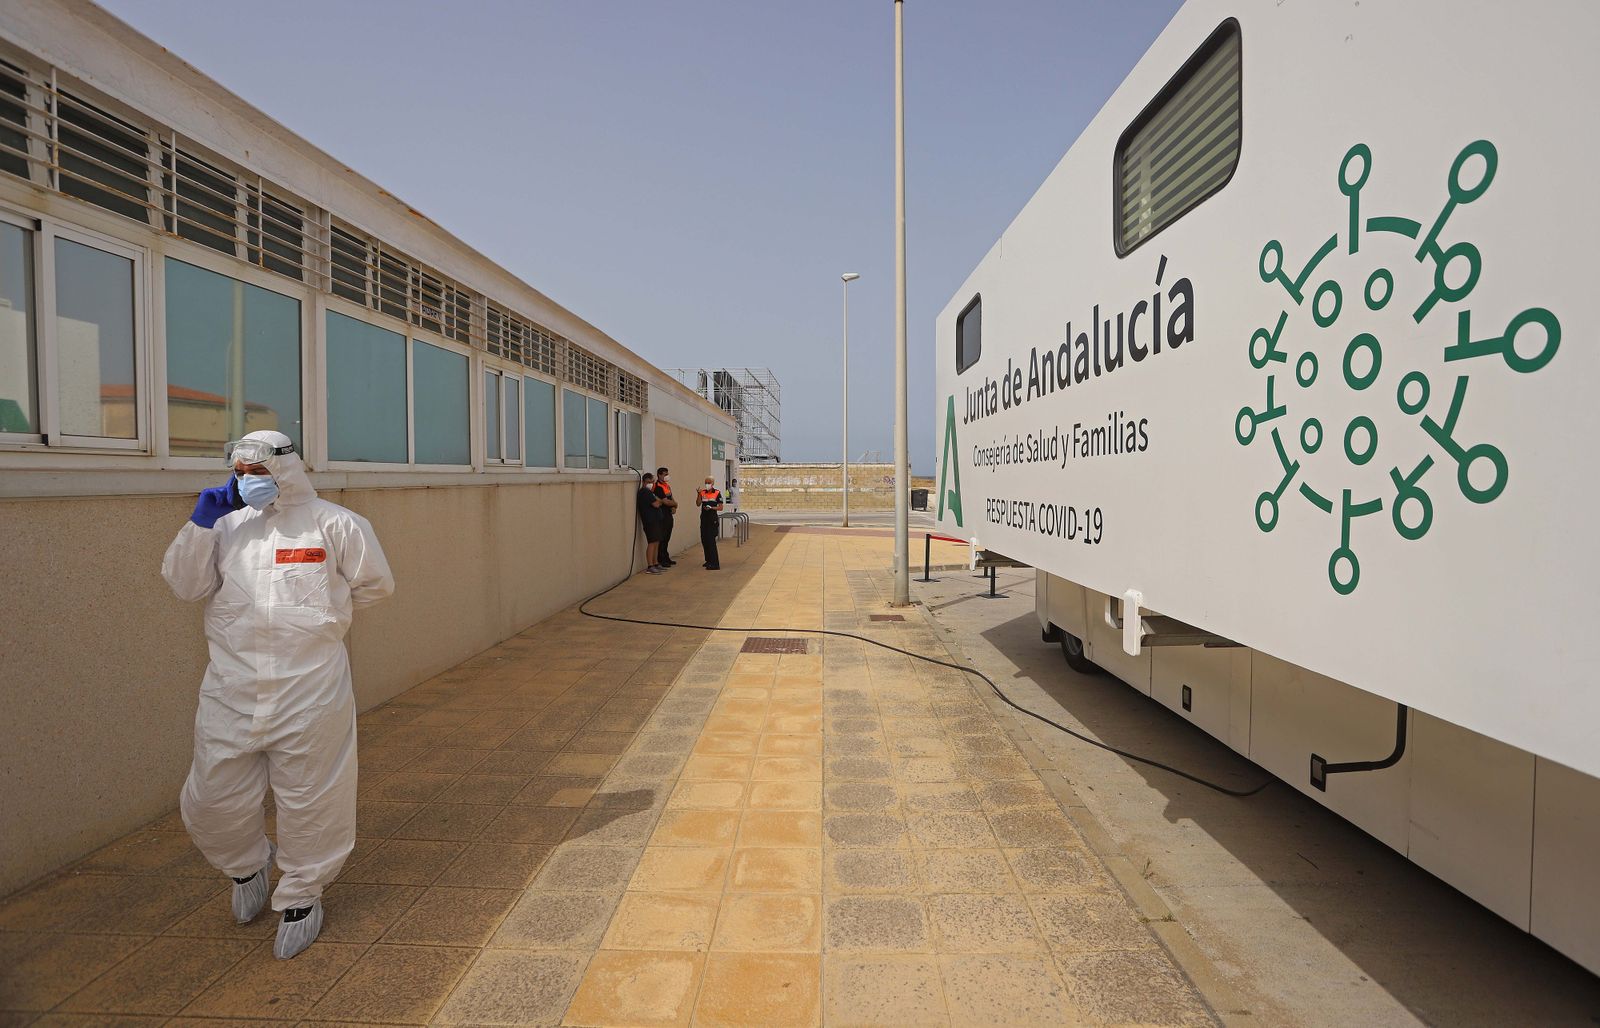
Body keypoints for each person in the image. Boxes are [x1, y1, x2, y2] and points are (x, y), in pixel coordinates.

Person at [161, 429, 394, 960]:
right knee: (210, 799)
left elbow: (375, 586)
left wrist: (318, 621)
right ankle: (246, 866)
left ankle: (303, 895)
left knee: (312, 798)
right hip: (231, 689)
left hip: (309, 691)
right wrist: (200, 524)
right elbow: (185, 586)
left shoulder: (336, 524)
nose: (248, 480)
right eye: (240, 472)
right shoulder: (224, 526)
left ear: (287, 468)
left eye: (259, 471)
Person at [637, 471, 667, 573]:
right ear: (644, 482)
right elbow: (656, 504)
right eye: (649, 482)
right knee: (652, 542)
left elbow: (658, 501)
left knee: (657, 542)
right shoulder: (644, 492)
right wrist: (660, 501)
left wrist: (659, 501)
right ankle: (650, 566)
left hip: (656, 520)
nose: (651, 484)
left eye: (652, 482)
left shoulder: (650, 492)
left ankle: (655, 563)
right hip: (650, 521)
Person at [696, 477, 725, 570]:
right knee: (704, 540)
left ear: (713, 483)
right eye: (706, 482)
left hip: (712, 520)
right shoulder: (702, 492)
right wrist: (698, 494)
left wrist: (711, 508)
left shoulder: (717, 493)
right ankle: (708, 560)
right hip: (704, 519)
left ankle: (715, 563)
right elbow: (698, 503)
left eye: (709, 482)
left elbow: (720, 507)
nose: (707, 484)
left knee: (711, 541)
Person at [653, 467, 678, 567]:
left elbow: (671, 498)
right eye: (665, 474)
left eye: (667, 474)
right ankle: (661, 559)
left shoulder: (666, 485)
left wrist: (674, 506)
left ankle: (666, 557)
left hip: (668, 513)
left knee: (667, 537)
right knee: (662, 537)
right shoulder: (658, 487)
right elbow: (665, 501)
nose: (667, 476)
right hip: (662, 514)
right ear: (659, 475)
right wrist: (675, 504)